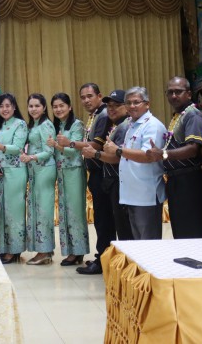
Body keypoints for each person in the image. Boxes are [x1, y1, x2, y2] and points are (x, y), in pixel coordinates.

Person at [144, 77, 202, 239]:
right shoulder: (179, 115)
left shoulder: (193, 115)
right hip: (176, 181)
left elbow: (193, 149)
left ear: (189, 94)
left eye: (178, 92)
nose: (173, 96)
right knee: (180, 231)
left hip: (190, 180)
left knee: (192, 232)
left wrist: (163, 154)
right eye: (170, 92)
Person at [103, 87, 167, 240]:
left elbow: (148, 156)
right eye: (128, 103)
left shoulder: (152, 125)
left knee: (148, 243)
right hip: (131, 194)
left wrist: (117, 150)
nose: (132, 106)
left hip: (146, 194)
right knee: (138, 244)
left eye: (136, 102)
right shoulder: (132, 124)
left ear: (147, 104)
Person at [67, 83, 113, 276]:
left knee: (104, 220)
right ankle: (103, 257)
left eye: (89, 96)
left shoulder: (103, 115)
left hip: (103, 172)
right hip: (95, 172)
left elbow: (95, 145)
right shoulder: (95, 115)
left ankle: (103, 261)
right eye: (83, 97)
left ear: (99, 96)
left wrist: (70, 143)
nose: (86, 100)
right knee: (102, 219)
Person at [82, 90, 134, 246]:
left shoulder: (125, 127)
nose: (111, 109)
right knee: (117, 223)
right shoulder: (117, 125)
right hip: (112, 180)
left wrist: (95, 154)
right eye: (109, 106)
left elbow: (118, 157)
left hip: (120, 180)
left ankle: (126, 259)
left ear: (127, 107)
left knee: (124, 227)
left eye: (117, 105)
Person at [47, 93, 89, 266]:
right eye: (55, 106)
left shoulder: (77, 124)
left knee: (75, 212)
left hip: (74, 171)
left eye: (61, 105)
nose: (58, 109)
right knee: (65, 211)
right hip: (61, 171)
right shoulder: (57, 126)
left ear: (70, 107)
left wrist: (57, 145)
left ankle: (78, 251)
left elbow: (74, 151)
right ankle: (71, 251)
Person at [0, 93, 28, 264]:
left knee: (14, 212)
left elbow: (18, 147)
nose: (4, 109)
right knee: (2, 211)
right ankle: (4, 248)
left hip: (15, 172)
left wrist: (2, 147)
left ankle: (14, 250)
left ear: (14, 107)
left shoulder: (20, 124)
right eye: (1, 106)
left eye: (8, 106)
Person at [20, 93, 57, 265]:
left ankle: (44, 252)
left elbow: (49, 151)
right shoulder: (34, 124)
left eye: (37, 106)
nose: (33, 109)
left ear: (44, 108)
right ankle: (45, 249)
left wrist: (31, 157)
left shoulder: (46, 125)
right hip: (35, 169)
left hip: (44, 169)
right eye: (31, 106)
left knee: (43, 210)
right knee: (37, 209)